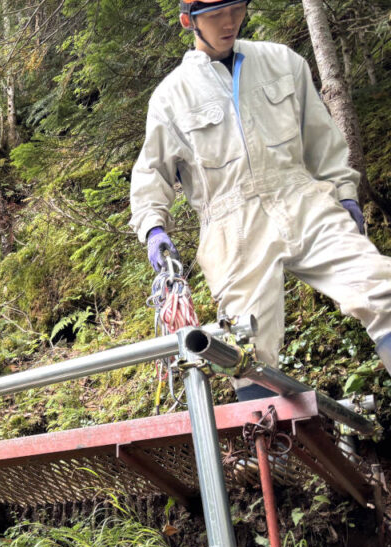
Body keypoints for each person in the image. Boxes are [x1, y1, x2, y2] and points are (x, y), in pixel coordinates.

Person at [129, 0, 391, 400]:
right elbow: (152, 172)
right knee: (246, 350)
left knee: (382, 288)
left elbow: (322, 140)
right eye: (215, 14)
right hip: (233, 227)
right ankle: (273, 460)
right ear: (188, 21)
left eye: (236, 8)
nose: (229, 21)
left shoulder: (282, 62)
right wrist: (153, 228)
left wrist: (344, 194)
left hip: (306, 203)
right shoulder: (172, 96)